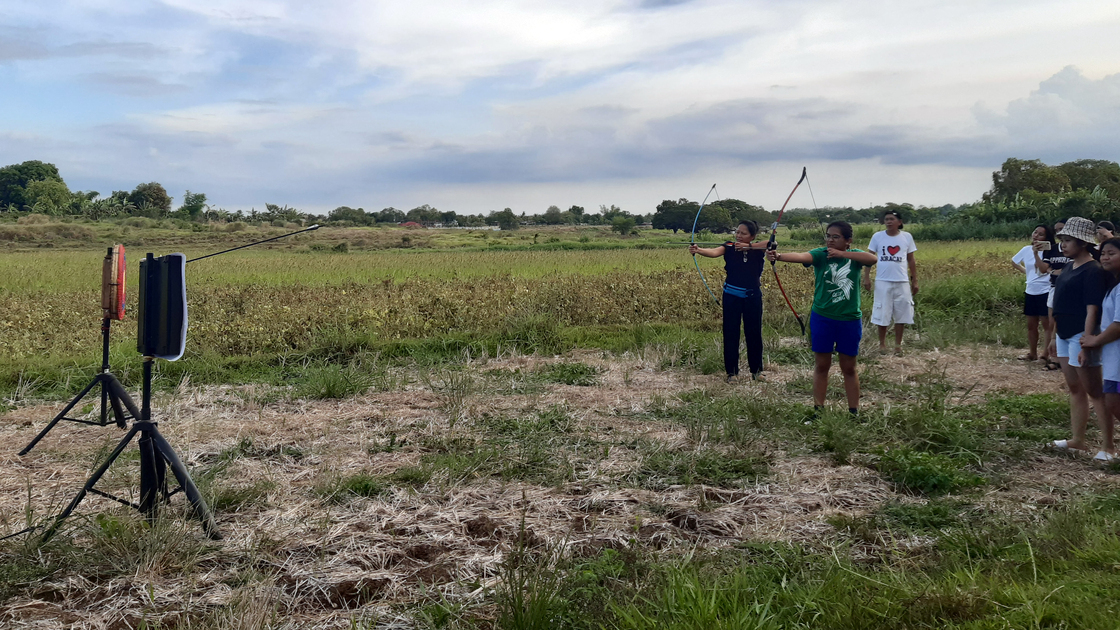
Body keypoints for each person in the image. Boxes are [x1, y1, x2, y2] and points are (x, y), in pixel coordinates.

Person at [767, 221, 878, 416]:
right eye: (828, 236)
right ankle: (818, 411)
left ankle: (854, 412)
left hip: (849, 319)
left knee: (849, 367)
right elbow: (803, 256)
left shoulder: (854, 257)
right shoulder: (821, 254)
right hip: (823, 318)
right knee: (822, 365)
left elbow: (872, 259)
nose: (830, 240)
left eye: (836, 237)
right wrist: (779, 256)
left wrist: (843, 255)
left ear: (848, 241)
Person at [1047, 217, 1112, 459]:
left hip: (1080, 335)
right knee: (1075, 388)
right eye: (1061, 240)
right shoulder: (1068, 267)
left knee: (1094, 390)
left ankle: (1108, 447)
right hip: (1064, 334)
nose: (1062, 245)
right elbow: (1059, 305)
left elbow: (1092, 309)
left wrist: (1086, 341)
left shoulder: (1093, 271)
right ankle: (1077, 439)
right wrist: (1054, 337)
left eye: (1067, 240)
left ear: (1083, 243)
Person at [690, 220, 768, 382]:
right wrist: (698, 250)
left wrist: (749, 247)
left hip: (753, 297)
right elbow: (714, 252)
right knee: (731, 333)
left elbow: (772, 243)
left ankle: (757, 371)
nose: (738, 236)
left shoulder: (758, 248)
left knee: (754, 333)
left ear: (752, 236)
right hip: (731, 296)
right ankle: (732, 373)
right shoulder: (729, 246)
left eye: (743, 234)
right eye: (737, 232)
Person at [1078, 237, 1120, 461]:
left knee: (1114, 401)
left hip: (1117, 354)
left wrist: (1095, 340)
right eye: (1102, 253)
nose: (1104, 257)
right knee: (1113, 399)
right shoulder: (1114, 285)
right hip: (1113, 356)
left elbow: (1118, 324)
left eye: (1111, 253)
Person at [861, 210, 918, 356]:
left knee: (902, 313)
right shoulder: (878, 237)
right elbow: (869, 258)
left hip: (902, 281)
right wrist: (866, 277)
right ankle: (882, 345)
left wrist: (914, 280)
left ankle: (898, 345)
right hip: (883, 281)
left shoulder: (907, 237)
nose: (889, 221)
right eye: (886, 219)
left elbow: (911, 259)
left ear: (899, 222)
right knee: (883, 312)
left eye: (892, 219)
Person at [1011, 225, 1055, 363]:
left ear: (1047, 238)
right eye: (1035, 232)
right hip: (1031, 290)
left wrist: (1037, 254)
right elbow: (1014, 261)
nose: (1036, 236)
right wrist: (1027, 273)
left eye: (1041, 234)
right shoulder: (1026, 249)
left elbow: (1043, 269)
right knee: (1031, 324)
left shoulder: (1051, 251)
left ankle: (1045, 355)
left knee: (1046, 324)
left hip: (1045, 290)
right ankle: (1032, 353)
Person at [1045, 219, 1073, 371]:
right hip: (1054, 286)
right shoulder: (1053, 248)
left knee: (1061, 321)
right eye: (1056, 231)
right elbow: (1044, 267)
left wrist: (1061, 272)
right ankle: (1054, 356)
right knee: (1052, 321)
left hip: (1067, 289)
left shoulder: (1076, 252)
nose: (1058, 233)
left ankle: (1062, 358)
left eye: (1061, 229)